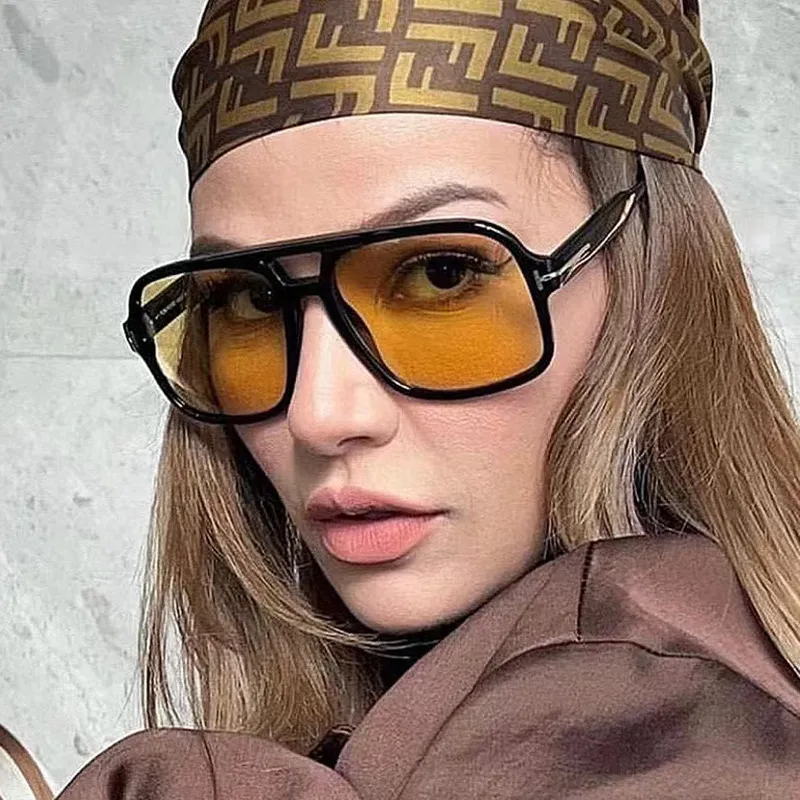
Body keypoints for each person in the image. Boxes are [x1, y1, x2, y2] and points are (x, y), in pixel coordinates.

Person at [59, 0, 800, 796]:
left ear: (650, 285)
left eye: (441, 275)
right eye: (249, 299)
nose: (319, 414)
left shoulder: (661, 718)